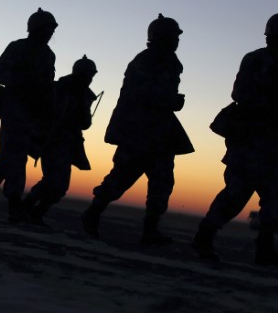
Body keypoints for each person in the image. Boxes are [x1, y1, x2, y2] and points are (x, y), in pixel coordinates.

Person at [193, 8, 278, 266]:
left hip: (269, 143)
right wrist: (274, 108)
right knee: (236, 194)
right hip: (250, 141)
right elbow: (242, 95)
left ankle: (265, 250)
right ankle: (204, 238)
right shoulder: (258, 59)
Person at [81, 14, 194, 244]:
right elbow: (141, 94)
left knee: (162, 183)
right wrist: (169, 100)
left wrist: (170, 101)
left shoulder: (170, 62)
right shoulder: (146, 61)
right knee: (121, 178)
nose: (176, 41)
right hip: (138, 131)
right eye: (173, 36)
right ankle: (92, 213)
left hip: (160, 133)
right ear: (161, 37)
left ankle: (150, 231)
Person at [0, 7, 57, 222]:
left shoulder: (48, 55)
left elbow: (47, 85)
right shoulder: (18, 47)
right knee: (16, 159)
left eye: (52, 30)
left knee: (11, 159)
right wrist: (23, 81)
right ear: (35, 29)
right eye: (47, 29)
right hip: (14, 110)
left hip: (33, 115)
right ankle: (14, 206)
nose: (50, 34)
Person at [22, 55, 99, 228]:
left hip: (69, 143)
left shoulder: (84, 95)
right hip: (52, 140)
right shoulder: (58, 89)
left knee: (61, 185)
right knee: (52, 180)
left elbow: (84, 123)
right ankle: (27, 207)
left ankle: (36, 211)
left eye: (91, 76)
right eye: (88, 75)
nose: (90, 79)